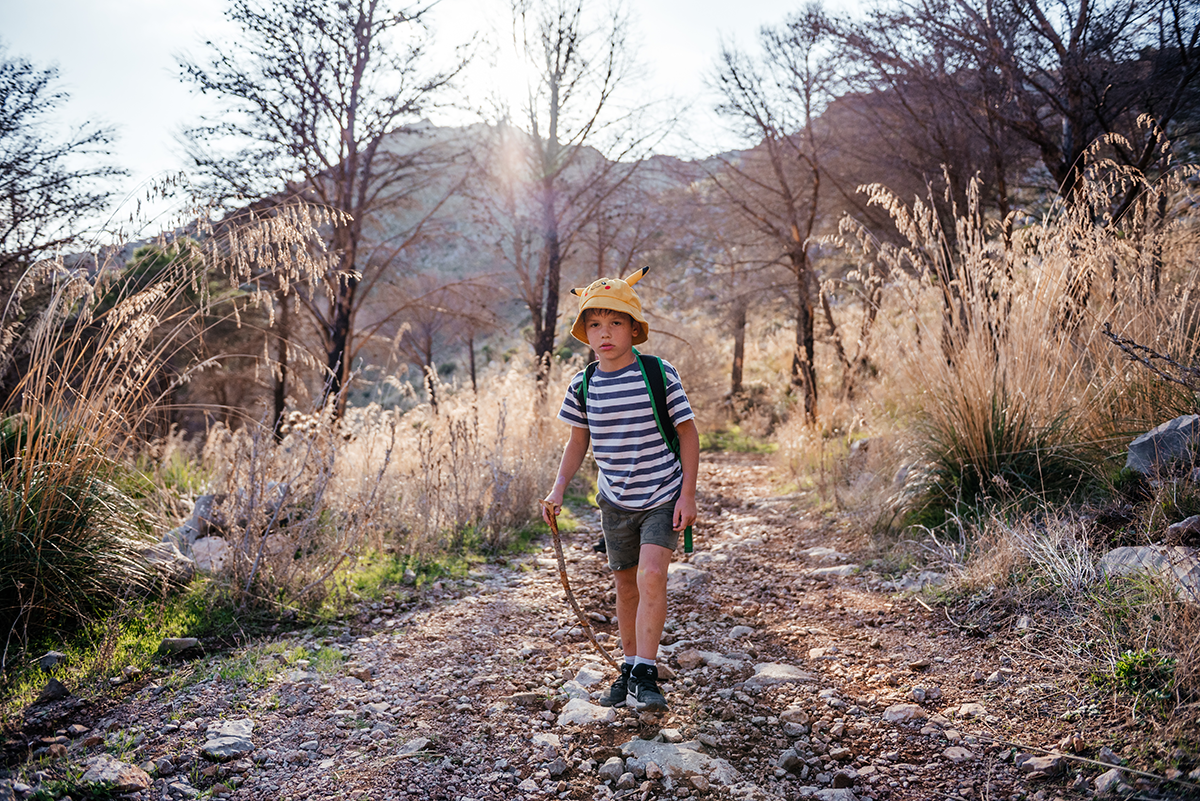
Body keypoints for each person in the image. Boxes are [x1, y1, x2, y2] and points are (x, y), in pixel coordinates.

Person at [541, 267, 699, 713]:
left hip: (662, 493)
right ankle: (628, 668)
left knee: (652, 575)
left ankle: (647, 673)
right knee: (625, 586)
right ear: (584, 331)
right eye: (594, 324)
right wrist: (557, 490)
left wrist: (687, 494)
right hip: (614, 500)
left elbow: (688, 434)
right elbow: (577, 442)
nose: (604, 333)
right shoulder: (584, 383)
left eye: (615, 323)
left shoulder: (657, 373)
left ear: (633, 329)